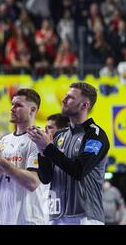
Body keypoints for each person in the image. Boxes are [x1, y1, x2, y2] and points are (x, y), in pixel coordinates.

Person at [28, 82, 110, 225]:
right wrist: (42, 151)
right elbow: (45, 178)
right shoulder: (59, 136)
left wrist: (48, 148)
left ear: (85, 105)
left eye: (71, 98)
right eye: (65, 96)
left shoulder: (95, 135)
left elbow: (79, 170)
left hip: (86, 217)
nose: (63, 100)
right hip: (57, 216)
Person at [0, 89, 50, 225]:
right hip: (1, 218)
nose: (12, 108)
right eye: (12, 104)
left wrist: (1, 162)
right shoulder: (4, 141)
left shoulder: (39, 140)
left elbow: (32, 183)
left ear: (32, 110)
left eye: (18, 105)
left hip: (28, 219)